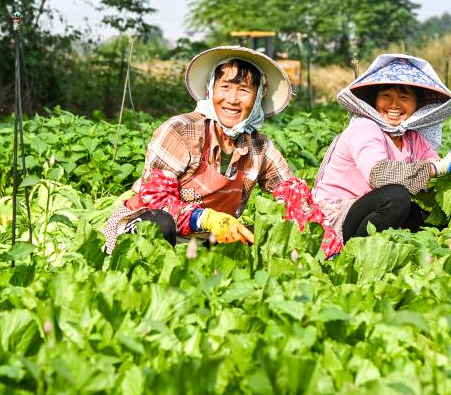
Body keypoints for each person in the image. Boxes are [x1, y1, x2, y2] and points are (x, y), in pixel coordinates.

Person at [102, 46, 343, 258]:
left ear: (257, 99)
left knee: (264, 239)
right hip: (143, 226)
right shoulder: (181, 131)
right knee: (159, 224)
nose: (232, 99)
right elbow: (156, 200)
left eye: (244, 90)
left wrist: (328, 251)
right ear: (211, 90)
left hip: (207, 241)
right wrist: (206, 218)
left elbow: (297, 200)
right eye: (225, 86)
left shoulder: (259, 147)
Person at [312, 53, 451, 242]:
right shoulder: (364, 127)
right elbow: (379, 174)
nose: (394, 104)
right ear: (375, 100)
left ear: (417, 104)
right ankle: (354, 252)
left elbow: (435, 171)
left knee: (432, 222)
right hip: (336, 218)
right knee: (397, 197)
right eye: (386, 96)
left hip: (369, 211)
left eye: (404, 97)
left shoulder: (411, 138)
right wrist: (436, 169)